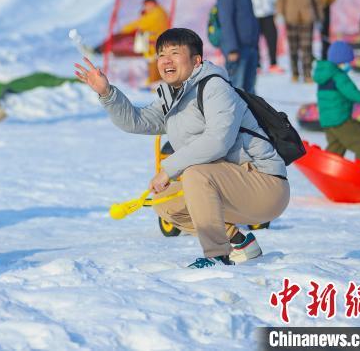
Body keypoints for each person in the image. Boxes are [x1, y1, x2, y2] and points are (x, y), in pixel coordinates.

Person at [75, 28, 289, 268]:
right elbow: (137, 121)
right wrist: (107, 93)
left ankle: (217, 255)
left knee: (196, 173)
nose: (165, 60)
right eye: (161, 54)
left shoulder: (215, 87)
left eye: (175, 53)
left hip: (265, 185)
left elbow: (218, 140)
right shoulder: (173, 97)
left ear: (196, 60)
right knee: (165, 203)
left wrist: (168, 169)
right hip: (229, 184)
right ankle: (239, 242)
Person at [313, 41, 360, 162]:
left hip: (327, 120)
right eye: (347, 61)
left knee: (337, 146)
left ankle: (329, 171)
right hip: (339, 119)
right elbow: (351, 93)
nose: (349, 65)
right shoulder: (338, 76)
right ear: (341, 61)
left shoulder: (324, 74)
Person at [276, 0, 323, 83]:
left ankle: (307, 74)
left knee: (307, 48)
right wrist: (280, 13)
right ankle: (295, 73)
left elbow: (317, 0)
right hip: (290, 19)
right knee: (293, 49)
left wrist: (319, 17)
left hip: (307, 19)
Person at [218, 0, 260, 94]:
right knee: (237, 90)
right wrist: (231, 49)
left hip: (249, 46)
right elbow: (226, 20)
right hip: (237, 50)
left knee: (250, 92)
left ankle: (251, 117)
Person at [119, 0, 170, 84]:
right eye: (145, 5)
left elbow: (141, 23)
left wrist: (125, 29)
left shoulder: (157, 13)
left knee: (155, 62)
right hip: (154, 43)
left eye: (147, 5)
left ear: (153, 4)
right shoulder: (156, 12)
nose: (146, 7)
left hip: (156, 43)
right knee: (154, 62)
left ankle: (155, 83)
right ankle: (154, 82)